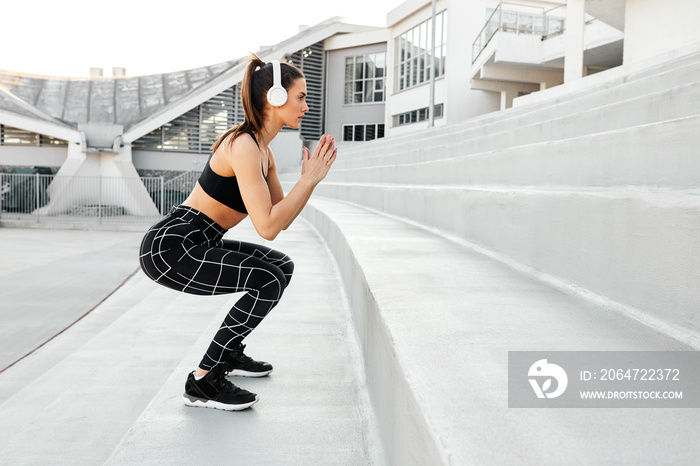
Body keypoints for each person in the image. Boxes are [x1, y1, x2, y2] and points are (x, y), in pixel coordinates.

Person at [139, 54, 337, 411]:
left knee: (281, 267)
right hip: (172, 246)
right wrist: (308, 179)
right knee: (267, 279)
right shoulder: (243, 145)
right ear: (275, 98)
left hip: (198, 240)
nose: (306, 106)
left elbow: (280, 218)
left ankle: (228, 354)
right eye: (301, 97)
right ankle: (203, 379)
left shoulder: (264, 151)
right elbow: (267, 227)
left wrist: (309, 182)